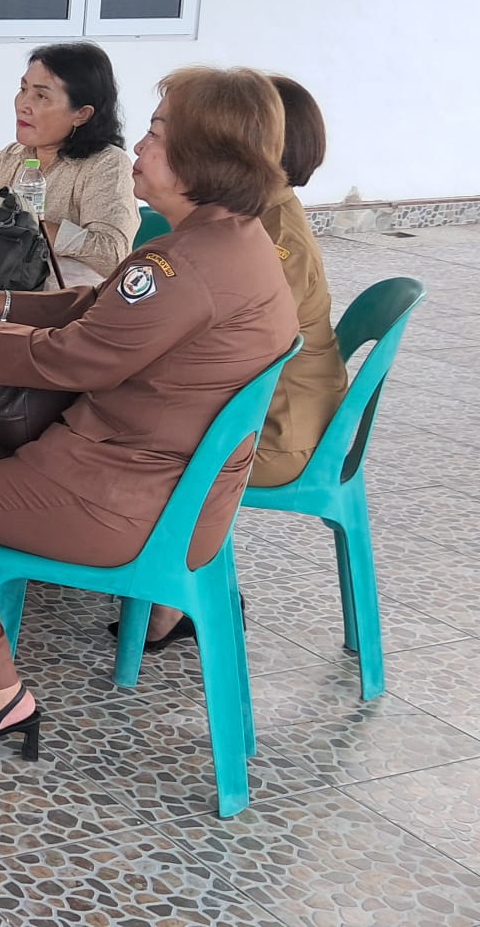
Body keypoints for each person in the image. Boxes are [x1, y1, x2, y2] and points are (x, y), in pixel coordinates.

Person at [0, 67, 296, 755]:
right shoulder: (230, 240)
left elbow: (77, 359)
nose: (139, 147)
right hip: (170, 483)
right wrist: (0, 303)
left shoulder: (182, 266)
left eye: (157, 134)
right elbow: (103, 309)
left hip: (127, 496)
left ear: (204, 157)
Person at [131, 75, 349, 648]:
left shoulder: (271, 238)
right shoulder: (256, 217)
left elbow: (214, 345)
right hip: (263, 409)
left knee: (139, 436)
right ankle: (160, 581)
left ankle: (176, 594)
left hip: (276, 430)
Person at [0, 43, 138, 282]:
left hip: (66, 300)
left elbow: (112, 254)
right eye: (23, 89)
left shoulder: (107, 164)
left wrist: (12, 220)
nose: (23, 105)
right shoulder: (10, 157)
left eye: (41, 96)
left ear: (81, 114)